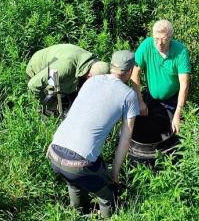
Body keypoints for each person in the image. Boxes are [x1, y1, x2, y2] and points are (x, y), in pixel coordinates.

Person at [47, 50, 139, 218]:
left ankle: (78, 213)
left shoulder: (92, 81)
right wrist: (114, 173)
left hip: (53, 152)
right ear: (130, 71)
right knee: (108, 195)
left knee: (75, 182)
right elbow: (125, 139)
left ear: (112, 66)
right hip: (78, 163)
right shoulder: (128, 95)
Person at [132, 19, 191, 134]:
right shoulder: (147, 45)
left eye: (163, 39)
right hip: (151, 96)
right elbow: (135, 72)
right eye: (156, 39)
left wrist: (178, 113)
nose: (159, 43)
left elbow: (184, 84)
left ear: (170, 37)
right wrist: (139, 101)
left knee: (172, 130)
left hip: (172, 99)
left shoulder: (181, 51)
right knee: (145, 127)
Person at [26, 43, 107, 112]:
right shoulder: (65, 67)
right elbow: (33, 85)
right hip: (37, 71)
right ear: (89, 76)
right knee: (51, 110)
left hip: (58, 64)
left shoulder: (93, 62)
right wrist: (45, 104)